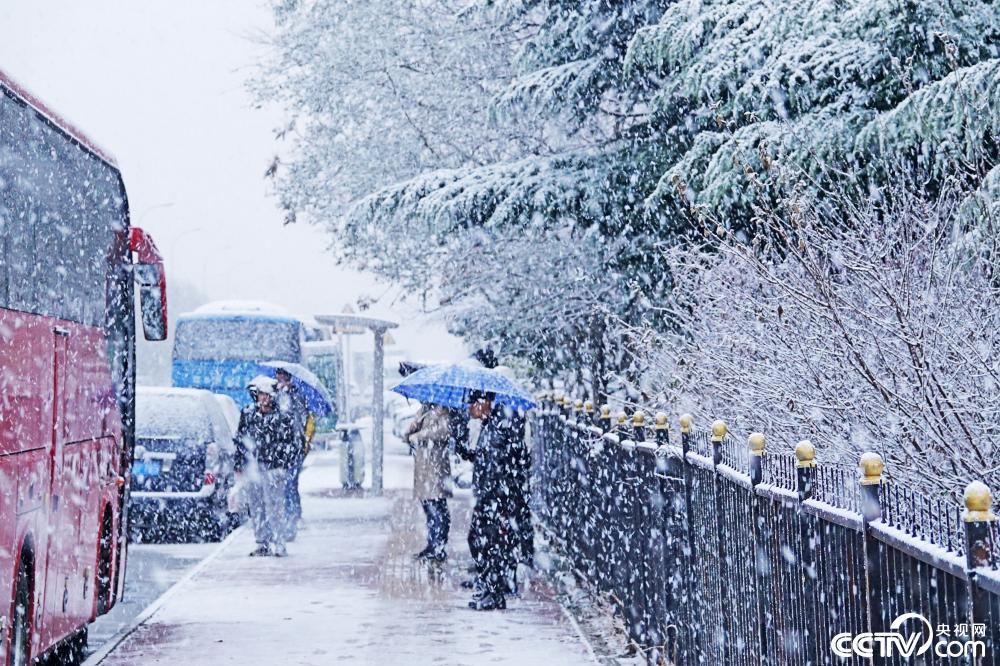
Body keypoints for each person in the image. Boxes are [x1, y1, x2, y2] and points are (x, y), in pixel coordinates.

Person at [463, 391, 527, 611]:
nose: (469, 408)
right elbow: (490, 459)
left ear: (484, 403)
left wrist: (493, 498)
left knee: (489, 544)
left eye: (472, 403)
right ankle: (491, 588)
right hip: (490, 497)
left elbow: (498, 465)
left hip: (495, 499)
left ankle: (494, 592)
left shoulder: (498, 426)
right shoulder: (491, 424)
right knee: (481, 542)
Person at [234, 375, 298, 557]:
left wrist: (280, 461)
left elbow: (291, 443)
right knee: (256, 506)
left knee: (275, 506)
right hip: (253, 469)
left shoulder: (282, 418)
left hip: (273, 469)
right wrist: (239, 464)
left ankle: (279, 542)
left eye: (266, 395)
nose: (263, 399)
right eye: (260, 395)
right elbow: (240, 441)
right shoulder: (248, 415)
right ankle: (262, 541)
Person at [404, 403, 452, 562]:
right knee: (428, 507)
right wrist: (411, 429)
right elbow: (408, 437)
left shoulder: (442, 411)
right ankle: (432, 544)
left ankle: (439, 546)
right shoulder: (423, 411)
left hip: (436, 468)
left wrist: (419, 435)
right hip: (423, 469)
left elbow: (443, 432)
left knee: (437, 508)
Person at [274, 368, 314, 540]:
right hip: (279, 447)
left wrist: (288, 394)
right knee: (282, 485)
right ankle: (288, 516)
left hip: (294, 445)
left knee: (291, 483)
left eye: (282, 378)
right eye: (278, 378)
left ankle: (293, 517)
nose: (280, 381)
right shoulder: (274, 395)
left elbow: (299, 417)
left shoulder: (296, 395)